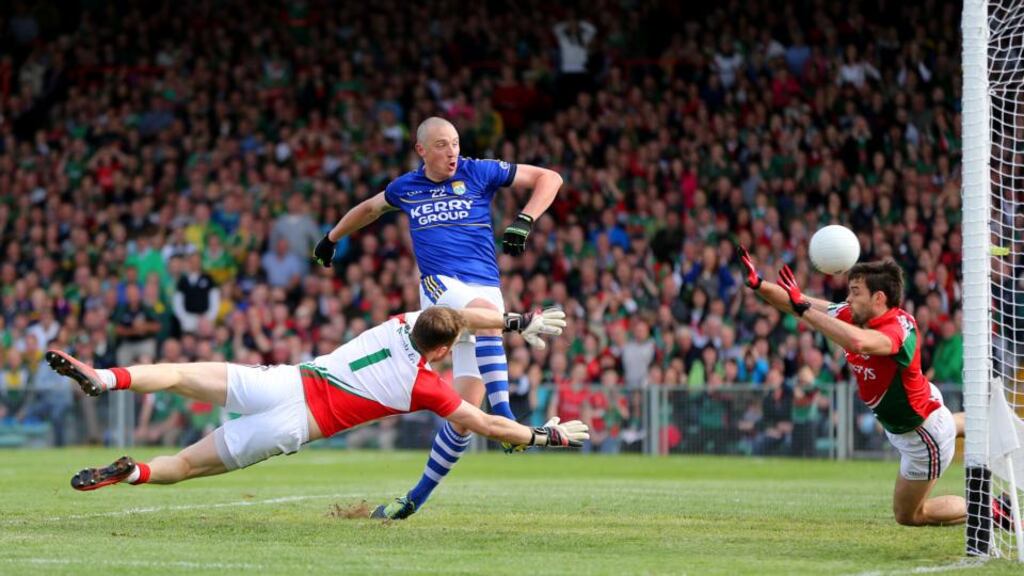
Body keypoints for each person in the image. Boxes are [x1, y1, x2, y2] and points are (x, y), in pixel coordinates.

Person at [47, 306, 585, 494]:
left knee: (180, 374)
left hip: (282, 381)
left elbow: (461, 317)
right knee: (185, 466)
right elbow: (486, 424)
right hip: (297, 422)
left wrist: (517, 321)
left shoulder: (398, 321)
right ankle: (134, 471)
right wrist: (544, 434)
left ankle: (108, 376)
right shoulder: (427, 386)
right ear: (445, 349)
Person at [312, 116, 563, 519]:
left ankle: (413, 500)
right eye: (443, 145)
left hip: (485, 290)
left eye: (456, 143)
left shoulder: (478, 171)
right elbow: (369, 209)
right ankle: (509, 422)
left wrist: (525, 220)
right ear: (421, 150)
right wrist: (331, 238)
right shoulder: (406, 188)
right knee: (486, 318)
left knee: (464, 414)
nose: (452, 152)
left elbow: (549, 178)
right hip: (440, 287)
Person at [738, 248, 965, 526]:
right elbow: (797, 302)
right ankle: (973, 422)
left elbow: (858, 342)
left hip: (921, 433)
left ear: (878, 298)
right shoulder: (852, 314)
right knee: (947, 422)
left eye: (855, 291)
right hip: (919, 404)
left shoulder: (898, 330)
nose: (848, 298)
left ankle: (987, 509)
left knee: (909, 515)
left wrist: (803, 309)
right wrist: (758, 283)